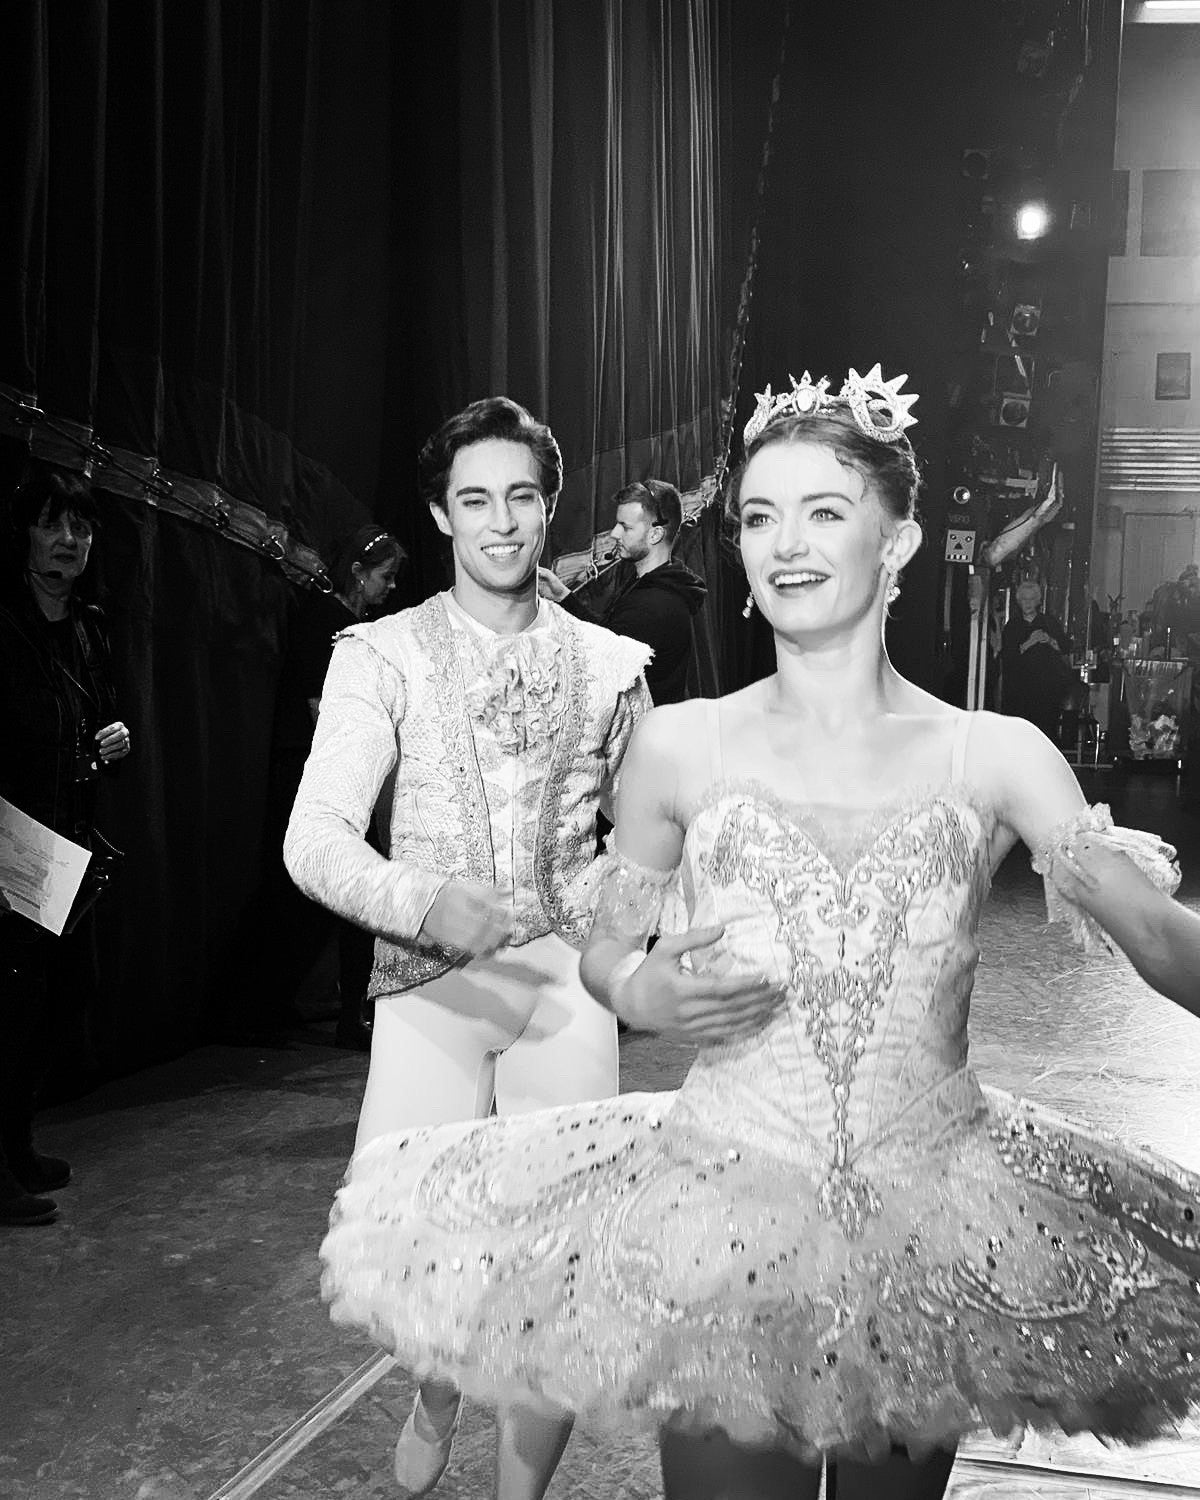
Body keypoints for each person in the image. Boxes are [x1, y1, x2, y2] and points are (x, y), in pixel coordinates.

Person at [317, 366, 1200, 1499]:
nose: (785, 543)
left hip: (924, 1228)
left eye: (825, 512)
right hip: (724, 1229)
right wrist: (638, 995)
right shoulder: (681, 747)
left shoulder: (999, 754)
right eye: (759, 517)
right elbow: (608, 948)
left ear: (901, 541)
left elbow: (1161, 941)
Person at [284, 397, 655, 1500]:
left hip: (563, 986)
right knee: (418, 1257)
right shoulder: (379, 654)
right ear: (442, 515)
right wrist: (423, 898)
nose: (502, 523)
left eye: (523, 498)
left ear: (551, 508)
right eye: (476, 500)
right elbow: (314, 840)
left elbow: (648, 845)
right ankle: (435, 1382)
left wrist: (616, 920)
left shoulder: (611, 661)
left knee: (558, 1269)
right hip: (427, 985)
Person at [0, 462, 132, 1226]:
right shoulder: (2, 620)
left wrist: (116, 738)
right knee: (7, 1014)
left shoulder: (90, 625)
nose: (68, 541)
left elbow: (103, 723)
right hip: (9, 848)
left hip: (66, 853)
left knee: (53, 1006)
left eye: (79, 528)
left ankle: (16, 1146)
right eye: (52, 525)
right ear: (23, 534)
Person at [213, 525, 405, 1049]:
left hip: (334, 771)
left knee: (333, 900)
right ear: (357, 575)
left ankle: (335, 1013)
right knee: (319, 895)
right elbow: (320, 709)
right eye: (384, 577)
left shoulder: (354, 627)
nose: (390, 588)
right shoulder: (327, 625)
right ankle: (282, 1011)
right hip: (318, 774)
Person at [544, 480, 707, 705]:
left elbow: (599, 664)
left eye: (626, 527)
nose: (614, 533)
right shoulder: (658, 584)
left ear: (655, 534)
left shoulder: (651, 607)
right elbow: (609, 635)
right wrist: (562, 596)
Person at [1000, 577, 1080, 741]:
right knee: (1020, 734)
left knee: (1045, 732)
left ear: (1037, 601)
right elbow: (1008, 657)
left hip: (1046, 689)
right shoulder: (1012, 626)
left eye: (1031, 599)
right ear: (1018, 601)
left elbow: (1066, 646)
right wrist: (1029, 642)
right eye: (1024, 599)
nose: (1027, 603)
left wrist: (1050, 640)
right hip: (1020, 691)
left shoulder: (1048, 622)